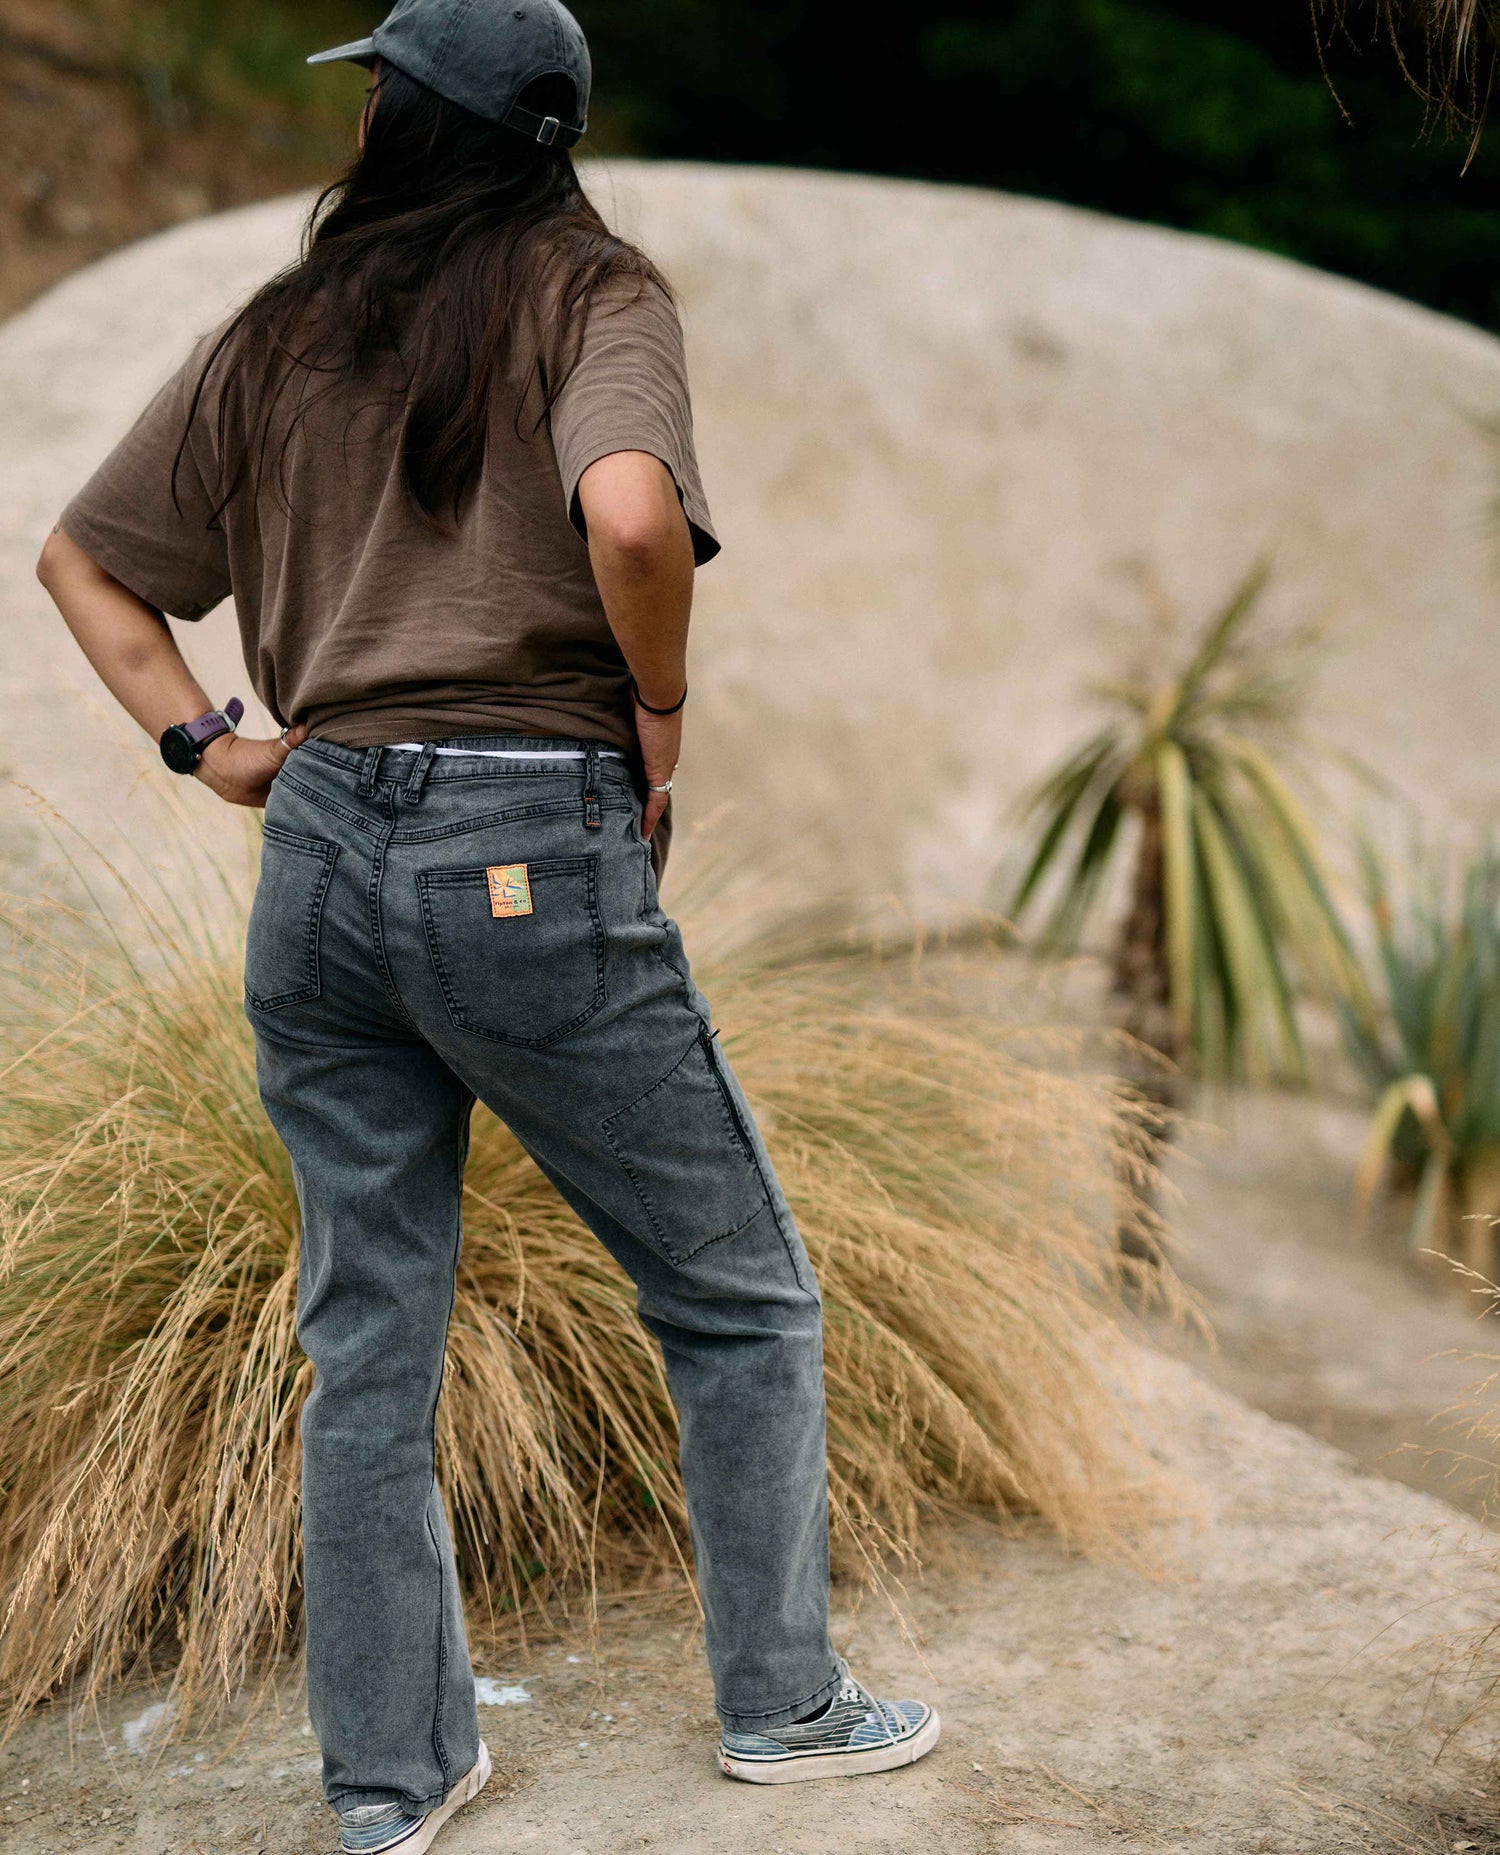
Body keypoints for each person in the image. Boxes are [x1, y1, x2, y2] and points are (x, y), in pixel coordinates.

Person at [35, 2, 940, 1849]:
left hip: (321, 854)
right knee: (738, 1295)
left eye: (378, 84)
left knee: (366, 1339)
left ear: (411, 115)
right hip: (523, 840)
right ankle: (785, 1704)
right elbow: (628, 516)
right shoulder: (591, 291)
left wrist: (208, 742)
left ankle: (390, 1782)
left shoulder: (285, 325)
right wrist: (661, 707)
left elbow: (85, 555)